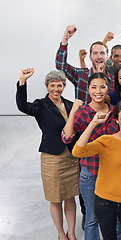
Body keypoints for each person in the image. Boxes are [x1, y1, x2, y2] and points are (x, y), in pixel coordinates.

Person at [16, 68, 80, 240]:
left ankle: (71, 233)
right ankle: (61, 233)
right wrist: (22, 81)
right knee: (56, 198)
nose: (56, 89)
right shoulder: (41, 105)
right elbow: (23, 106)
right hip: (52, 157)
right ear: (47, 87)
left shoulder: (68, 104)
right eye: (52, 85)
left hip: (71, 157)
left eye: (59, 85)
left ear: (63, 86)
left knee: (70, 196)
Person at [72, 101, 121, 240]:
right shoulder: (106, 141)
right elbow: (77, 151)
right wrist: (93, 123)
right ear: (116, 121)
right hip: (105, 203)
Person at [62, 72, 120, 240]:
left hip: (112, 174)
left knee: (114, 218)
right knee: (92, 219)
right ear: (88, 89)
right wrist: (73, 112)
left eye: (102, 87)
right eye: (94, 87)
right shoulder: (83, 112)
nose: (98, 91)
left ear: (108, 88)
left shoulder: (114, 112)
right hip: (90, 174)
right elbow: (66, 137)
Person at [56, 25, 115, 102]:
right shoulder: (81, 75)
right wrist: (65, 39)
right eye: (95, 53)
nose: (99, 56)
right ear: (90, 57)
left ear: (107, 57)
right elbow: (61, 66)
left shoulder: (113, 79)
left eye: (102, 53)